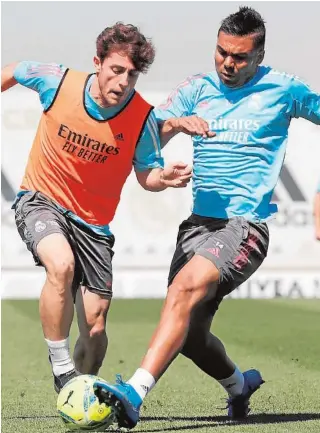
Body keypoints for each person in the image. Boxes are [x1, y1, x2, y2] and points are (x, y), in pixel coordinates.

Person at [94, 6, 320, 429]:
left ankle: (134, 394)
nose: (227, 64)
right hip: (197, 226)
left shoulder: (285, 89)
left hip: (245, 226)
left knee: (182, 289)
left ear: (258, 56)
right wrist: (176, 123)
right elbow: (144, 135)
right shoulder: (196, 88)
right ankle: (238, 386)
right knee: (190, 335)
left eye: (239, 57)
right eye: (221, 53)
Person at [1, 22, 192, 394]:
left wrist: (162, 178)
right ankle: (61, 367)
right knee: (60, 265)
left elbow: (146, 174)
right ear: (98, 62)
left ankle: (77, 393)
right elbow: (13, 70)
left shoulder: (142, 117)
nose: (123, 81)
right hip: (42, 199)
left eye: (132, 75)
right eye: (117, 70)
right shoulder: (58, 81)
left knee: (96, 329)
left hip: (93, 225)